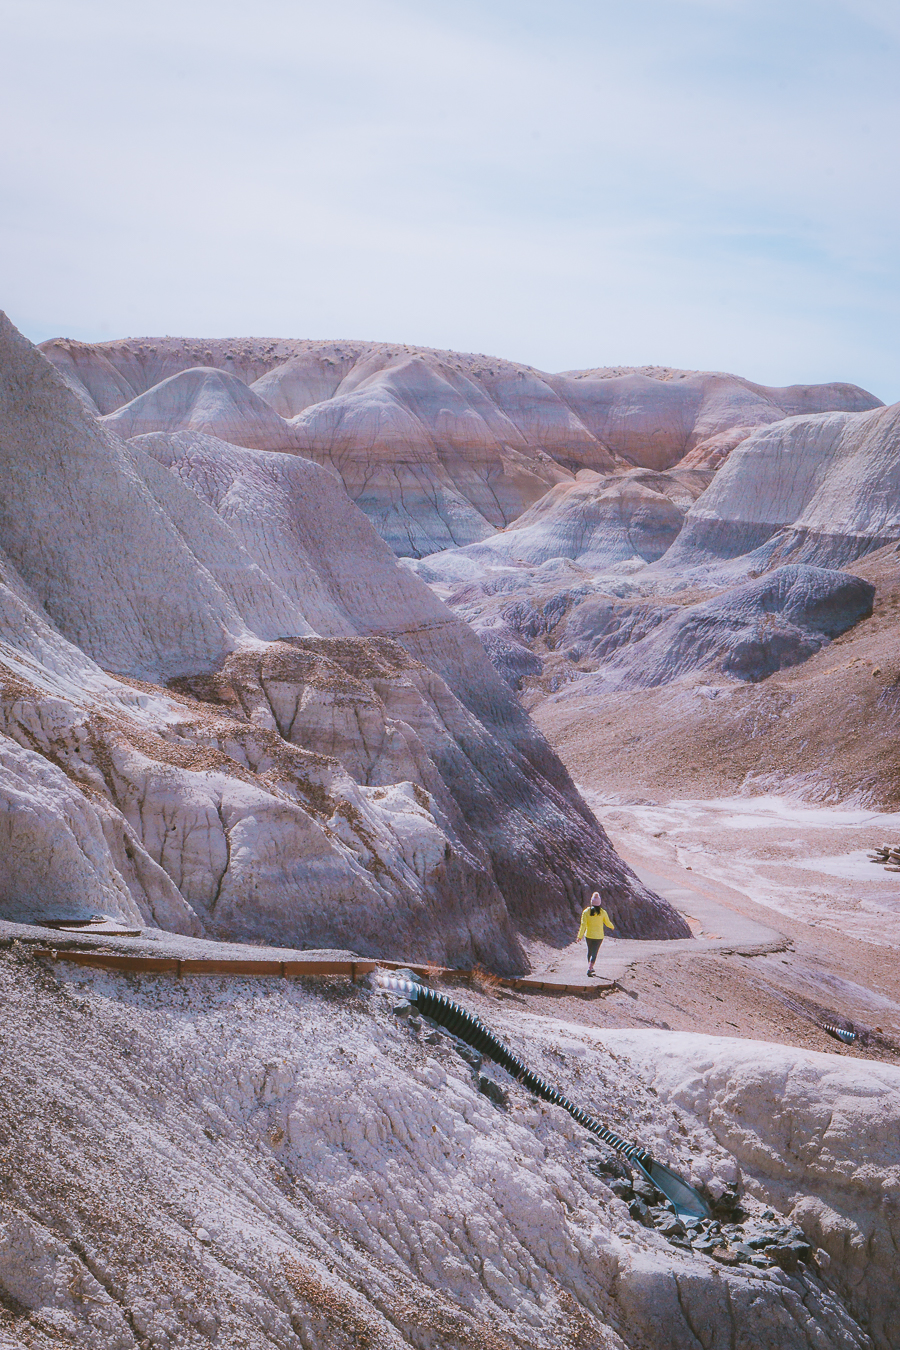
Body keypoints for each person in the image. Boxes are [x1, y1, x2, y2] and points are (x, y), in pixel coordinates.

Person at [577, 892, 615, 977]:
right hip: (599, 936)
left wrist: (579, 936)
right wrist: (612, 926)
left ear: (591, 902)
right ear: (599, 902)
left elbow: (583, 924)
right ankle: (590, 968)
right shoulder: (602, 912)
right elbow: (607, 922)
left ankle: (590, 966)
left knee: (590, 951)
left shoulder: (586, 911)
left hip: (588, 935)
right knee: (595, 952)